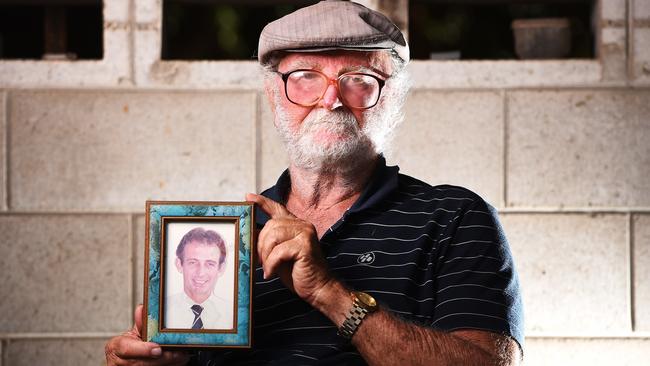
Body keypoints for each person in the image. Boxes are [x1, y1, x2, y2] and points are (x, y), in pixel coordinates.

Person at [105, 1, 523, 365]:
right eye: (306, 76)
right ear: (274, 96)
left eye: (358, 78)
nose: (331, 99)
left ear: (392, 97)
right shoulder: (229, 237)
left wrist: (329, 292)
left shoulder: (454, 218)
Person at [165, 227, 232, 330]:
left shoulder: (234, 314)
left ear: (221, 268)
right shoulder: (161, 310)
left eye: (210, 264)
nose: (200, 273)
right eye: (192, 262)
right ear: (179, 265)